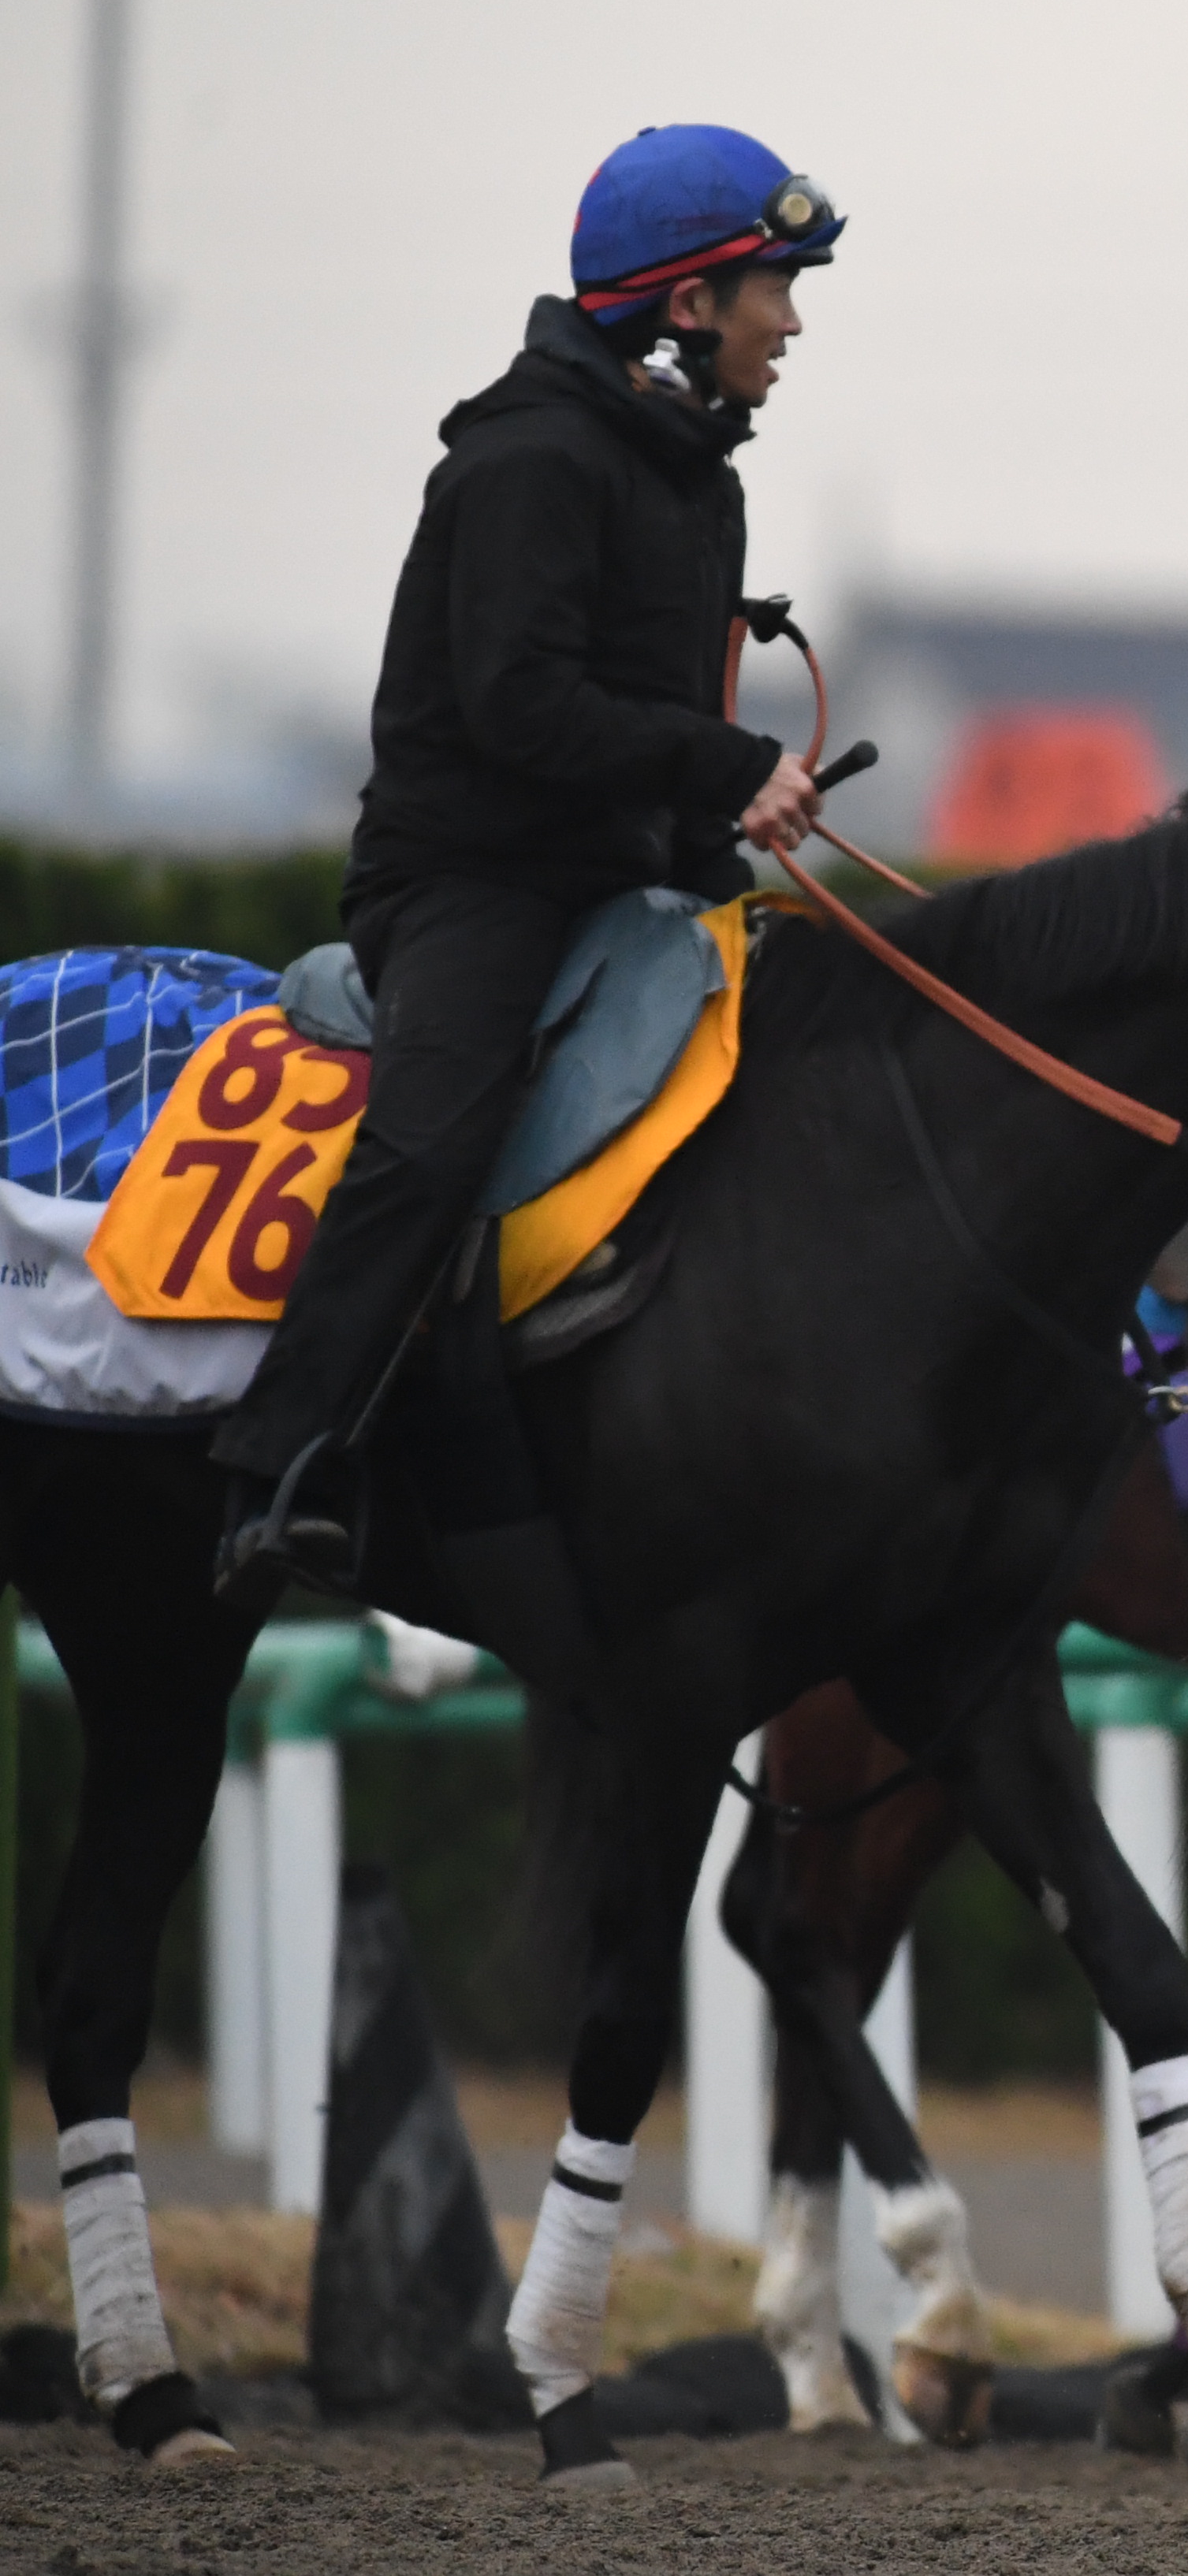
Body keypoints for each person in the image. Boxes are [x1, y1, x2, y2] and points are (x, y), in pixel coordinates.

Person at [210, 125, 844, 1608]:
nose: (794, 323)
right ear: (690, 306)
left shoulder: (697, 475)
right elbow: (520, 705)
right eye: (777, 289)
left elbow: (669, 728)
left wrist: (727, 837)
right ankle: (279, 1465)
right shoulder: (529, 458)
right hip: (465, 882)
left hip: (624, 874)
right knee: (435, 1137)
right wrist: (726, 771)